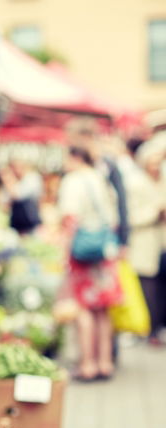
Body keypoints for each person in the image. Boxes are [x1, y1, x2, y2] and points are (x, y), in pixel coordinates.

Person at [58, 146, 123, 380]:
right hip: (104, 251)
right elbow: (114, 218)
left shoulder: (73, 181)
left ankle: (87, 364)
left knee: (83, 308)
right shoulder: (100, 178)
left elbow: (70, 219)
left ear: (75, 157)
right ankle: (105, 363)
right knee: (103, 308)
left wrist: (64, 253)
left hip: (82, 253)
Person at [117, 138, 165, 344]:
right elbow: (129, 217)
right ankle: (149, 329)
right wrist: (155, 212)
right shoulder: (134, 183)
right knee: (148, 290)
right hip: (145, 244)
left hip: (162, 243)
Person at [0, 158, 44, 234]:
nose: (16, 170)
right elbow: (2, 201)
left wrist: (7, 178)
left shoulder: (32, 178)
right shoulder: (15, 180)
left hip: (30, 223)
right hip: (15, 224)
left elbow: (17, 195)